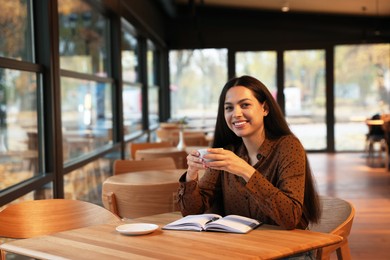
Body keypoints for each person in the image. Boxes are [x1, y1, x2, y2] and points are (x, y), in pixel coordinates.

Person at [177, 75, 321, 231]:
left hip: (287, 249)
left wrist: (245, 170)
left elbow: (291, 217)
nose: (236, 114)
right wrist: (191, 174)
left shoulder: (288, 146)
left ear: (265, 109)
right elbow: (191, 212)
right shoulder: (227, 152)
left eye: (245, 105)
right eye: (229, 108)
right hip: (240, 248)